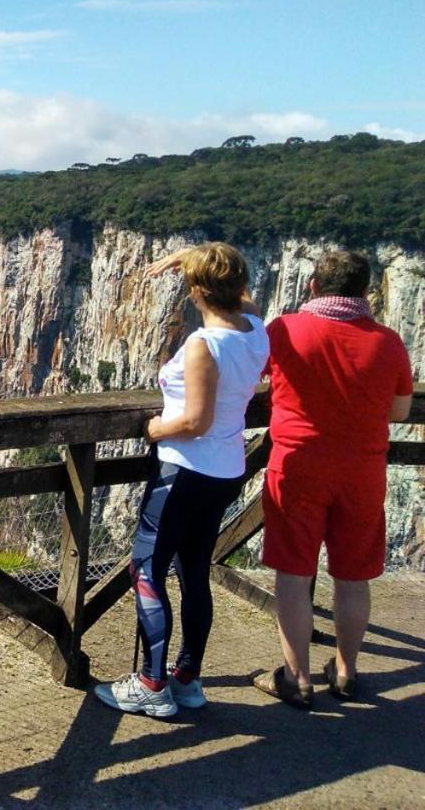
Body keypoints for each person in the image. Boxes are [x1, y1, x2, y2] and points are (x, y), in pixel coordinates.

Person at [95, 242, 269, 718]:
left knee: (146, 570)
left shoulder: (203, 345)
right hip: (226, 472)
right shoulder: (255, 330)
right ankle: (187, 679)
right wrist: (194, 257)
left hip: (184, 471)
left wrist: (154, 429)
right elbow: (246, 298)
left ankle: (152, 683)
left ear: (195, 291)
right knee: (194, 573)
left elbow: (195, 420)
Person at [253, 250, 414, 708]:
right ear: (366, 291)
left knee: (293, 571)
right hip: (362, 472)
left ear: (312, 287)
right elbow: (399, 410)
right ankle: (345, 671)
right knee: (352, 575)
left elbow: (252, 377)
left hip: (299, 465)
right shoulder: (388, 342)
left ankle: (297, 677)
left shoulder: (285, 329)